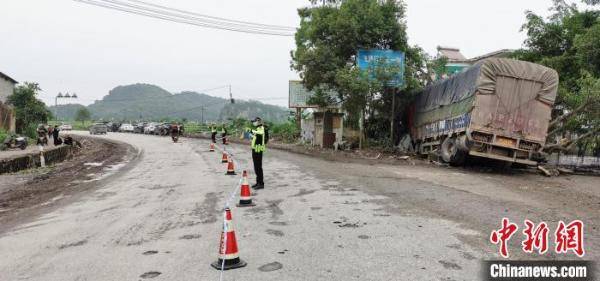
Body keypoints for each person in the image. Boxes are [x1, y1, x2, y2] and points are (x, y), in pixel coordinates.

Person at [248, 117, 266, 189]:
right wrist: (252, 136)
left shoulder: (261, 128)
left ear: (258, 121)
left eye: (254, 121)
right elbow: (257, 137)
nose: (253, 123)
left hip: (258, 149)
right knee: (256, 167)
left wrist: (251, 131)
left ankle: (261, 183)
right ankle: (258, 182)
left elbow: (261, 133)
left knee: (258, 166)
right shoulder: (257, 128)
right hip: (255, 149)